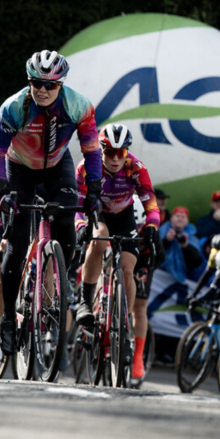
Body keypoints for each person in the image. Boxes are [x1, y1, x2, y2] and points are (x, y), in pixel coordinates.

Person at [0, 50, 101, 357]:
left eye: (49, 85)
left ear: (61, 85)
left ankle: (62, 278)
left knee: (66, 216)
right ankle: (10, 319)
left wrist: (94, 186)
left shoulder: (79, 105)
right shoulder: (14, 106)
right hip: (19, 169)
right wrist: (1, 187)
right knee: (16, 243)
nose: (41, 89)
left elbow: (92, 150)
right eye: (36, 82)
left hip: (56, 166)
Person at [73, 123, 161, 381]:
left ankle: (124, 322)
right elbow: (79, 204)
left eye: (120, 153)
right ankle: (86, 302)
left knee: (128, 267)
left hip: (124, 217)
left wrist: (153, 225)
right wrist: (80, 225)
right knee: (98, 240)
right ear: (100, 150)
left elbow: (150, 202)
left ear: (127, 153)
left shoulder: (137, 168)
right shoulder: (87, 167)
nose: (114, 159)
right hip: (98, 214)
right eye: (109, 152)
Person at [159, 206, 204, 282]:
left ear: (187, 221)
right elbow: (152, 253)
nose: (180, 218)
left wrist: (185, 246)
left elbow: (197, 262)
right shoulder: (161, 232)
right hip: (160, 275)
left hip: (184, 278)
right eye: (177, 216)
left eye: (183, 217)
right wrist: (166, 240)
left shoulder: (193, 238)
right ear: (171, 219)